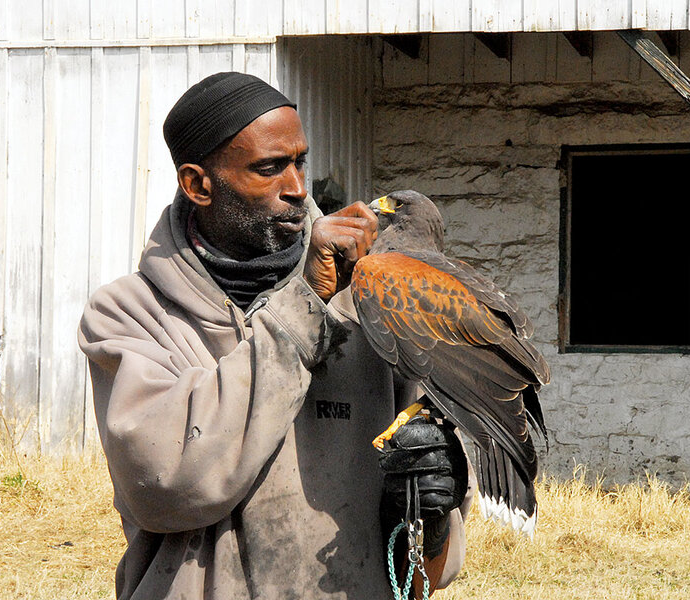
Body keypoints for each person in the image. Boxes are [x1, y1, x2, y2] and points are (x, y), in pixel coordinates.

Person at [78, 72, 470, 600]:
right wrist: (303, 306)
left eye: (299, 162)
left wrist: (430, 509)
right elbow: (166, 485)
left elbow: (422, 573)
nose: (298, 189)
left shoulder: (366, 303)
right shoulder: (130, 314)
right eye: (268, 169)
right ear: (198, 185)